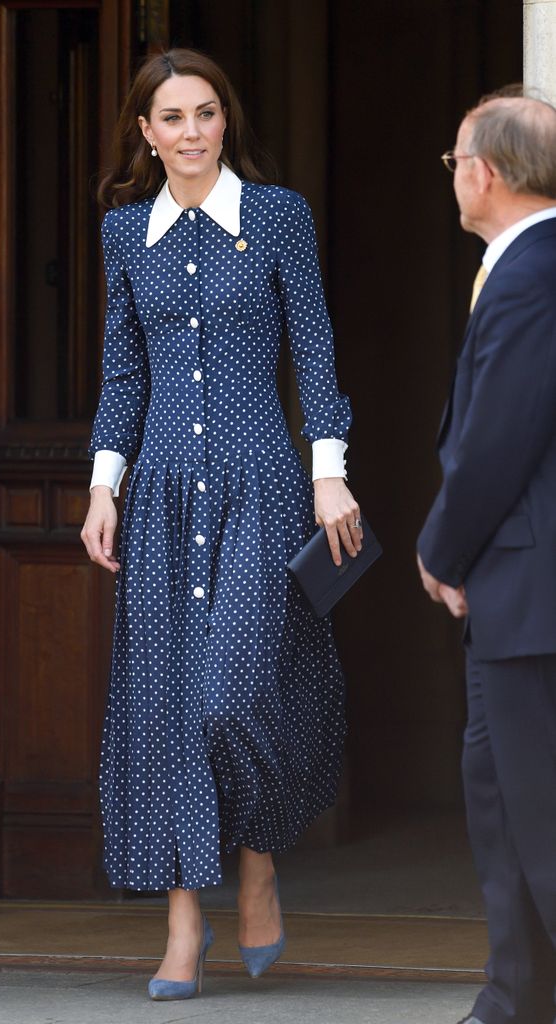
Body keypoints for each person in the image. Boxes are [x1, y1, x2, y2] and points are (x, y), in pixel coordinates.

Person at [81, 48, 361, 1001]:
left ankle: (257, 862)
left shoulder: (278, 218)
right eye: (173, 118)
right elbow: (124, 374)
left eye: (206, 113)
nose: (193, 132)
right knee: (165, 709)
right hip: (158, 493)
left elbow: (315, 353)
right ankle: (182, 920)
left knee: (232, 697)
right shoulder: (125, 235)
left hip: (261, 486)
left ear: (224, 122)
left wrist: (331, 475)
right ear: (147, 135)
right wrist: (100, 487)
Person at [418, 93, 556, 1024]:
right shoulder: (518, 265)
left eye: (454, 158)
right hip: (513, 593)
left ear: (487, 172)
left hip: (530, 587)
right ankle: (515, 999)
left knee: (540, 819)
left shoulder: (534, 270)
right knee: (503, 803)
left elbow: (498, 439)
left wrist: (440, 549)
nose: (453, 173)